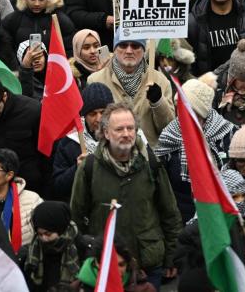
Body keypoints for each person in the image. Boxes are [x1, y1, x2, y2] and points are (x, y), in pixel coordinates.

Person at [70, 103, 182, 287]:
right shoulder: (89, 167)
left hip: (148, 261)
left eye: (130, 128)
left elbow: (169, 212)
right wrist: (87, 253)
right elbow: (76, 215)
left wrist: (172, 256)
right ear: (106, 133)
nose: (126, 133)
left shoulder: (151, 163)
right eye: (119, 129)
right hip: (105, 262)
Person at [156, 76, 235, 221]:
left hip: (219, 217)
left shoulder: (228, 135)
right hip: (181, 218)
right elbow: (161, 184)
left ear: (202, 113)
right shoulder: (169, 136)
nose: (182, 116)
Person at [86, 34, 174, 149]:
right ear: (114, 49)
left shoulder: (161, 81)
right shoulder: (96, 80)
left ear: (144, 50)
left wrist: (158, 102)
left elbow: (169, 130)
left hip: (151, 159)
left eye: (135, 46)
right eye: (122, 45)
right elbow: (92, 128)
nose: (129, 51)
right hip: (112, 157)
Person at [18, 201, 81, 291]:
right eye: (40, 234)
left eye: (48, 234)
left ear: (60, 229)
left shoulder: (81, 247)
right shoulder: (29, 252)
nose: (44, 238)